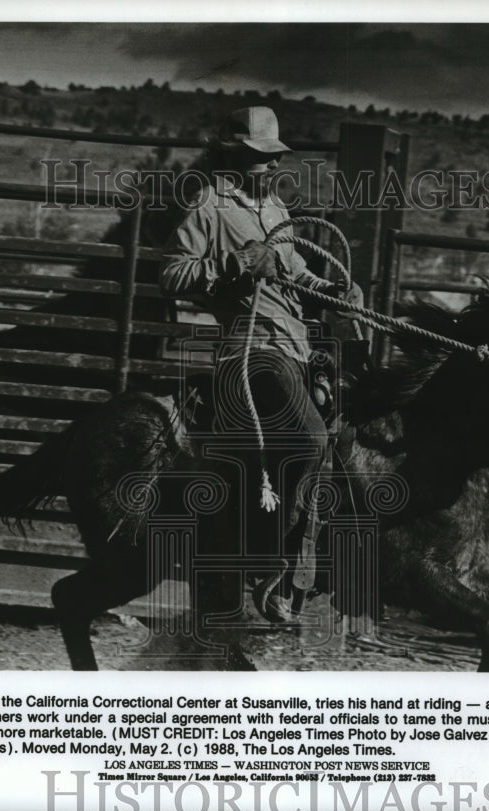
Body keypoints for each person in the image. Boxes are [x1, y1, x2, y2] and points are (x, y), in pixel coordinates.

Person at [160, 106, 362, 622]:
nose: (267, 167)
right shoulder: (206, 206)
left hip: (295, 347)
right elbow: (172, 274)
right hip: (250, 350)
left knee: (340, 438)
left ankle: (304, 562)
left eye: (271, 158)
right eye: (256, 157)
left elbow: (295, 275)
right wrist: (235, 264)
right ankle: (268, 563)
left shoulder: (275, 209)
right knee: (311, 440)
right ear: (228, 155)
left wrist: (334, 292)